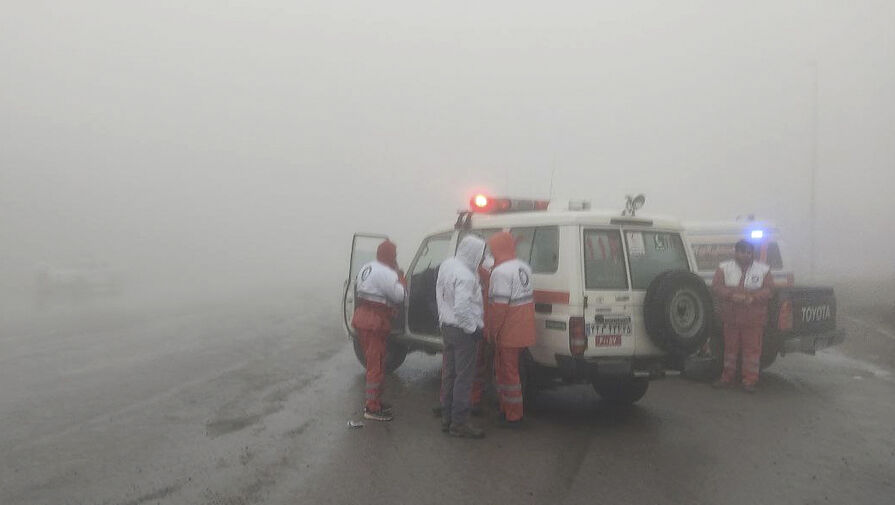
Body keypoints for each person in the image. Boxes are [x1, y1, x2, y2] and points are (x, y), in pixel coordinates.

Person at [436, 235, 487, 438]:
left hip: (447, 327)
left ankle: (446, 418)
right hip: (462, 331)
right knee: (463, 378)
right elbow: (462, 307)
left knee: (449, 374)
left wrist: (443, 318)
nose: (482, 259)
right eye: (481, 254)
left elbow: (440, 294)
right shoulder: (466, 276)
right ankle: (459, 423)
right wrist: (473, 329)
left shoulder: (447, 265)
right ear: (474, 253)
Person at [351, 240, 406, 421]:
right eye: (395, 255)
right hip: (374, 321)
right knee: (376, 366)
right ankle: (372, 408)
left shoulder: (367, 267)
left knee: (375, 363)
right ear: (390, 255)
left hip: (362, 318)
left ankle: (376, 402)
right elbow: (399, 295)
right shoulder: (387, 272)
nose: (396, 258)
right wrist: (400, 278)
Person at [486, 232, 536, 427]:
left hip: (509, 330)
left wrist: (493, 330)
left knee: (508, 373)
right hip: (524, 328)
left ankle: (514, 415)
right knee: (508, 371)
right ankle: (507, 409)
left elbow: (500, 306)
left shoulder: (500, 272)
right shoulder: (524, 266)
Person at [712, 239, 774, 393]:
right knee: (730, 350)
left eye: (748, 252)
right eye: (742, 251)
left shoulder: (763, 270)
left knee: (752, 352)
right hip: (731, 317)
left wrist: (753, 298)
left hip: (753, 319)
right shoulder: (723, 268)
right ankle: (727, 378)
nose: (746, 255)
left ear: (752, 253)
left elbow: (769, 291)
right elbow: (716, 287)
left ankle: (750, 381)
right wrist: (732, 296)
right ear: (736, 252)